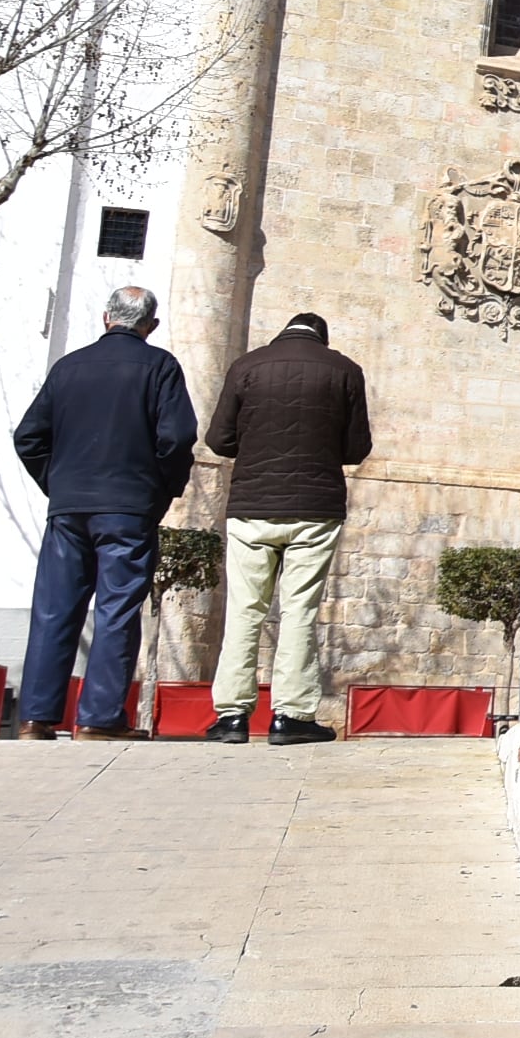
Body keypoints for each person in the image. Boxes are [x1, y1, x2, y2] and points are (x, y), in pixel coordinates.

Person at [11, 286, 198, 739]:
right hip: (129, 507)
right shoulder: (160, 367)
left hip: (70, 507)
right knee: (116, 609)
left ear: (105, 318)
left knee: (54, 609)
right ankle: (98, 718)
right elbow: (177, 437)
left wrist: (57, 484)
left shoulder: (68, 366)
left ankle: (35, 717)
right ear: (150, 326)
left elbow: (28, 437)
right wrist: (162, 491)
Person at [203, 311, 373, 746]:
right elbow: (356, 449)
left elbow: (219, 440)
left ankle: (232, 718)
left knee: (245, 608)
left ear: (282, 334)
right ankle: (292, 716)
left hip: (252, 507)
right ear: (323, 338)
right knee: (299, 610)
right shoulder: (346, 370)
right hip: (315, 509)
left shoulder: (246, 366)